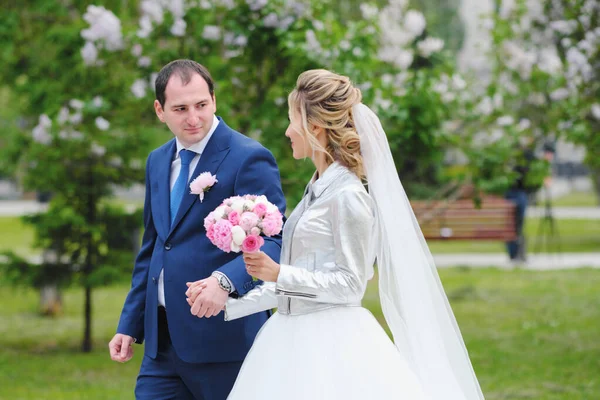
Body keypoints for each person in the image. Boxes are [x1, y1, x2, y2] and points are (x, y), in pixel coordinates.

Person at [187, 69, 485, 399]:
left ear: (315, 126)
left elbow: (352, 284)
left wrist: (279, 273)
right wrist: (226, 302)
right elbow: (293, 291)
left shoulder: (348, 196)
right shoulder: (314, 189)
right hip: (287, 338)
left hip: (331, 345)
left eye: (292, 120)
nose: (288, 131)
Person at [108, 59, 286, 400]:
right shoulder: (157, 161)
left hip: (224, 342)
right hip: (161, 346)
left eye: (201, 105)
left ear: (214, 100)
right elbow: (155, 246)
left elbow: (274, 240)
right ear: (160, 110)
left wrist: (226, 281)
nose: (193, 118)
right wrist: (130, 323)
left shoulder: (249, 157)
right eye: (180, 108)